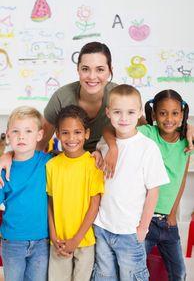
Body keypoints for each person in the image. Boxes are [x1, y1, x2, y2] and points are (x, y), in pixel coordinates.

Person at [91, 84, 169, 281]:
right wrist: (97, 153)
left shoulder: (148, 148)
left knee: (132, 276)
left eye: (130, 112)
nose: (124, 118)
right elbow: (99, 155)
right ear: (108, 112)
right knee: (103, 276)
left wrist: (143, 227)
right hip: (102, 226)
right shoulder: (106, 142)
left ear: (140, 113)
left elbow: (153, 191)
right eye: (117, 112)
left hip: (129, 231)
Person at [138, 89, 193, 281]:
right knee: (138, 271)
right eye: (162, 113)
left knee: (179, 273)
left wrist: (172, 213)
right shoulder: (148, 133)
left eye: (175, 113)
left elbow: (182, 178)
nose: (169, 118)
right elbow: (122, 124)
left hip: (168, 222)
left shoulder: (187, 141)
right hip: (144, 220)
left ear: (182, 115)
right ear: (154, 115)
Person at [46, 105, 104, 281]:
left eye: (77, 132)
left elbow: (94, 206)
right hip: (58, 242)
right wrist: (54, 236)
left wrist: (75, 240)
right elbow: (50, 203)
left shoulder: (93, 165)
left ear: (86, 133)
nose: (71, 138)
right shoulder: (52, 165)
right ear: (57, 134)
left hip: (84, 241)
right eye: (65, 132)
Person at [0, 106, 52, 281]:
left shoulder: (49, 162)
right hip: (13, 242)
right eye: (15, 131)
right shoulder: (3, 170)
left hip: (42, 241)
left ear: (39, 135)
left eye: (28, 131)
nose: (21, 136)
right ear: (8, 135)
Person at [40, 41, 117, 153]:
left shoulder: (120, 96)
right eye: (85, 69)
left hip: (109, 164)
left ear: (110, 71)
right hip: (72, 164)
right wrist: (11, 156)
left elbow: (146, 134)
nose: (92, 76)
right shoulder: (61, 98)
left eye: (100, 69)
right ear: (78, 69)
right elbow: (38, 144)